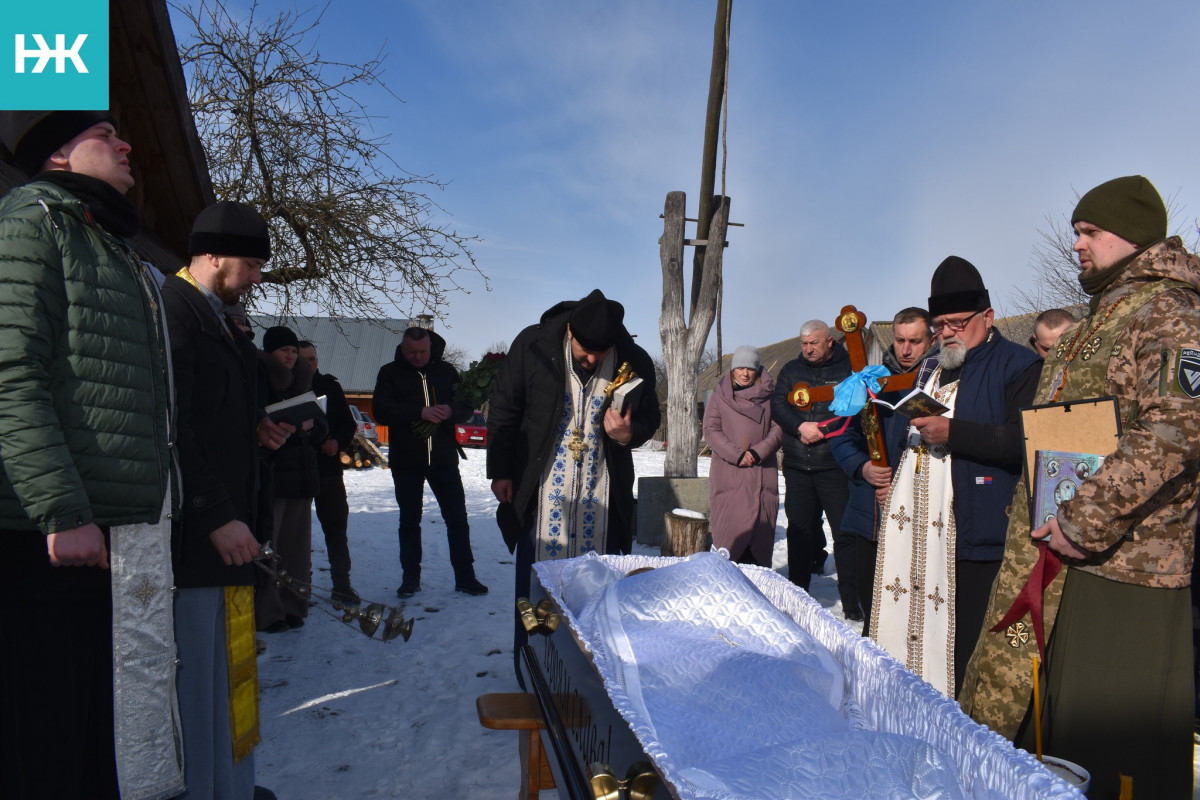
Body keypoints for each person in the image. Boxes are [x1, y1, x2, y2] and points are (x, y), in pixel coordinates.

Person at [960, 176, 1199, 798]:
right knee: (1058, 735)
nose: (1077, 244)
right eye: (1075, 232)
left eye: (1090, 231)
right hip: (1066, 554)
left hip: (1126, 566)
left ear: (1132, 233)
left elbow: (1177, 428)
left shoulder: (1170, 310)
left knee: (1111, 745)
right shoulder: (1110, 310)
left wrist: (1082, 517)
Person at [0, 110, 182, 799]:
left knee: (99, 735)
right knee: (46, 739)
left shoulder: (101, 240)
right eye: (106, 135)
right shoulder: (31, 224)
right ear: (57, 157)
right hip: (51, 538)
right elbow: (11, 372)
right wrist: (59, 508)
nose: (127, 143)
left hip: (113, 532)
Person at [163, 200, 292, 799]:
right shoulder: (175, 310)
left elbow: (217, 418)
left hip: (234, 530)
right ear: (213, 255)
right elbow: (173, 429)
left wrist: (256, 432)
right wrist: (216, 515)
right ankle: (207, 789)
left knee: (235, 673)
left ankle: (235, 786)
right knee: (200, 683)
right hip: (200, 536)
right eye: (252, 264)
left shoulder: (221, 317)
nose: (259, 277)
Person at [869, 257, 1041, 697]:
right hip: (919, 538)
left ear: (988, 317)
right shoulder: (931, 368)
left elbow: (1023, 443)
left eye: (957, 323)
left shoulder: (1018, 366)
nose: (947, 333)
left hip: (979, 534)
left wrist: (954, 432)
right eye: (940, 324)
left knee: (964, 654)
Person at [486, 289, 660, 675]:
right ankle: (532, 673)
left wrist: (628, 434)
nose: (594, 359)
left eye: (602, 351)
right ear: (569, 331)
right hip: (540, 488)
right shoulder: (533, 346)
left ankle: (593, 680)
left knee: (597, 593)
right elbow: (504, 407)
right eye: (586, 350)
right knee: (537, 589)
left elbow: (651, 418)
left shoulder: (635, 360)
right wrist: (501, 471)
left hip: (602, 492)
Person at [830, 307, 937, 631]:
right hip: (871, 514)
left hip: (924, 517)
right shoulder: (870, 380)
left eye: (915, 341)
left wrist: (903, 486)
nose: (905, 349)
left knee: (915, 617)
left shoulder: (943, 382)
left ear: (931, 339)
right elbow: (842, 438)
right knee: (872, 607)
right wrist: (862, 467)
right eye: (900, 340)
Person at [373, 326, 488, 598]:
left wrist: (450, 410)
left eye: (422, 351)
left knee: (457, 519)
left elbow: (465, 405)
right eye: (411, 352)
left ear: (430, 348)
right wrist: (419, 412)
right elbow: (380, 411)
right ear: (402, 349)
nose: (417, 356)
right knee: (410, 521)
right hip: (406, 460)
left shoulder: (447, 372)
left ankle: (466, 577)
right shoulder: (389, 373)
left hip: (444, 458)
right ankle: (410, 579)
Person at [770, 320, 859, 617]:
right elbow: (778, 404)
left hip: (834, 463)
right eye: (804, 344)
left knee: (843, 532)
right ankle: (798, 593)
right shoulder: (791, 370)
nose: (808, 349)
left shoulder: (848, 368)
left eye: (814, 343)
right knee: (799, 529)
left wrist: (823, 429)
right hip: (797, 463)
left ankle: (851, 599)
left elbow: (855, 407)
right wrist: (799, 426)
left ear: (829, 341)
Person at [255, 325, 326, 632]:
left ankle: (294, 606)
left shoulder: (303, 382)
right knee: (269, 548)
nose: (290, 356)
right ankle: (269, 613)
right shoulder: (259, 378)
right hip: (272, 476)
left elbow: (323, 426)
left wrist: (312, 426)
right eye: (284, 350)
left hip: (302, 476)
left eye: (294, 351)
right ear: (271, 352)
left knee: (296, 550)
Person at [702, 345, 783, 566]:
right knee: (731, 536)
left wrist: (758, 452)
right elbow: (711, 430)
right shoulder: (719, 396)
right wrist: (737, 455)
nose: (745, 374)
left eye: (750, 368)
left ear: (757, 370)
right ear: (732, 370)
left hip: (761, 471)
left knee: (759, 537)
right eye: (740, 368)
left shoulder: (769, 397)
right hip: (730, 471)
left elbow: (778, 428)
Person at [299, 340, 361, 604]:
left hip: (329, 471)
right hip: (295, 472)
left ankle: (342, 585)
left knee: (336, 530)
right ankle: (299, 587)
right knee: (296, 535)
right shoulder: (282, 387)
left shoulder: (330, 387)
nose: (309, 364)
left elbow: (348, 425)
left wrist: (337, 441)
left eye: (312, 359)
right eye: (304, 360)